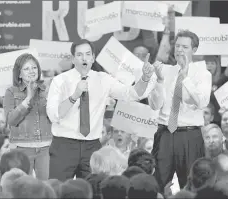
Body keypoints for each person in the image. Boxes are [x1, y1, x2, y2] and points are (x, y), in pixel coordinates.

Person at [46, 39, 164, 181]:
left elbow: (131, 94)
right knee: (58, 190)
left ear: (93, 57)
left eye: (88, 54)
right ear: (73, 58)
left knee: (94, 189)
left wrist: (144, 78)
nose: (84, 58)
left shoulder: (103, 79)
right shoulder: (60, 81)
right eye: (79, 55)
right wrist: (74, 96)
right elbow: (54, 115)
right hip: (64, 145)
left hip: (92, 146)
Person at [150, 30, 212, 192]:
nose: (179, 50)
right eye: (177, 46)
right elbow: (155, 105)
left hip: (189, 136)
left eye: (185, 47)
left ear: (194, 50)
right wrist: (159, 81)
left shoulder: (203, 74)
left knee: (191, 184)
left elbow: (202, 102)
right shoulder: (164, 70)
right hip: (164, 134)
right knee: (159, 182)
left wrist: (186, 79)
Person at [3, 53, 52, 180]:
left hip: (46, 148)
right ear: (19, 74)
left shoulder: (48, 90)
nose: (31, 71)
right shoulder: (11, 92)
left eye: (34, 67)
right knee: (22, 188)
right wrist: (28, 98)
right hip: (21, 148)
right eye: (26, 68)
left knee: (46, 187)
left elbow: (55, 116)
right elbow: (11, 120)